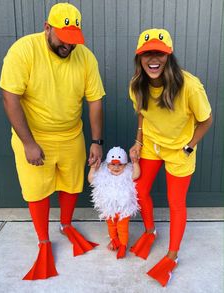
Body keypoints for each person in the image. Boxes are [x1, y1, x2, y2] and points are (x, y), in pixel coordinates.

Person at [0, 2, 105, 280]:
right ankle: (44, 240)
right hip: (35, 137)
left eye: (73, 40)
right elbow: (10, 97)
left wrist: (96, 141)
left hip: (71, 135)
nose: (68, 46)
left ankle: (66, 225)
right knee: (37, 189)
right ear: (47, 28)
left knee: (72, 184)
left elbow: (94, 100)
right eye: (63, 38)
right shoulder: (23, 50)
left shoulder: (85, 57)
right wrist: (28, 142)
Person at [129, 28, 212, 287]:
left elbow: (206, 120)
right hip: (152, 144)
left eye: (160, 53)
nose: (153, 59)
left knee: (176, 202)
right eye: (147, 53)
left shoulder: (189, 86)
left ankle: (172, 256)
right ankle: (150, 231)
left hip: (179, 149)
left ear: (169, 56)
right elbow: (142, 113)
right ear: (140, 57)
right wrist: (138, 141)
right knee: (139, 189)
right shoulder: (136, 85)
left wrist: (188, 147)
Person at [88, 146, 140, 259]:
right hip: (109, 208)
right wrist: (92, 168)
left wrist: (135, 163)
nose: (116, 167)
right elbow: (91, 180)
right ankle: (114, 240)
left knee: (122, 227)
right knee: (111, 226)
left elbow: (136, 175)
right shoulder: (103, 173)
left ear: (126, 165)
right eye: (113, 164)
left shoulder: (128, 173)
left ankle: (123, 244)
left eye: (120, 165)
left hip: (123, 209)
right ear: (107, 165)